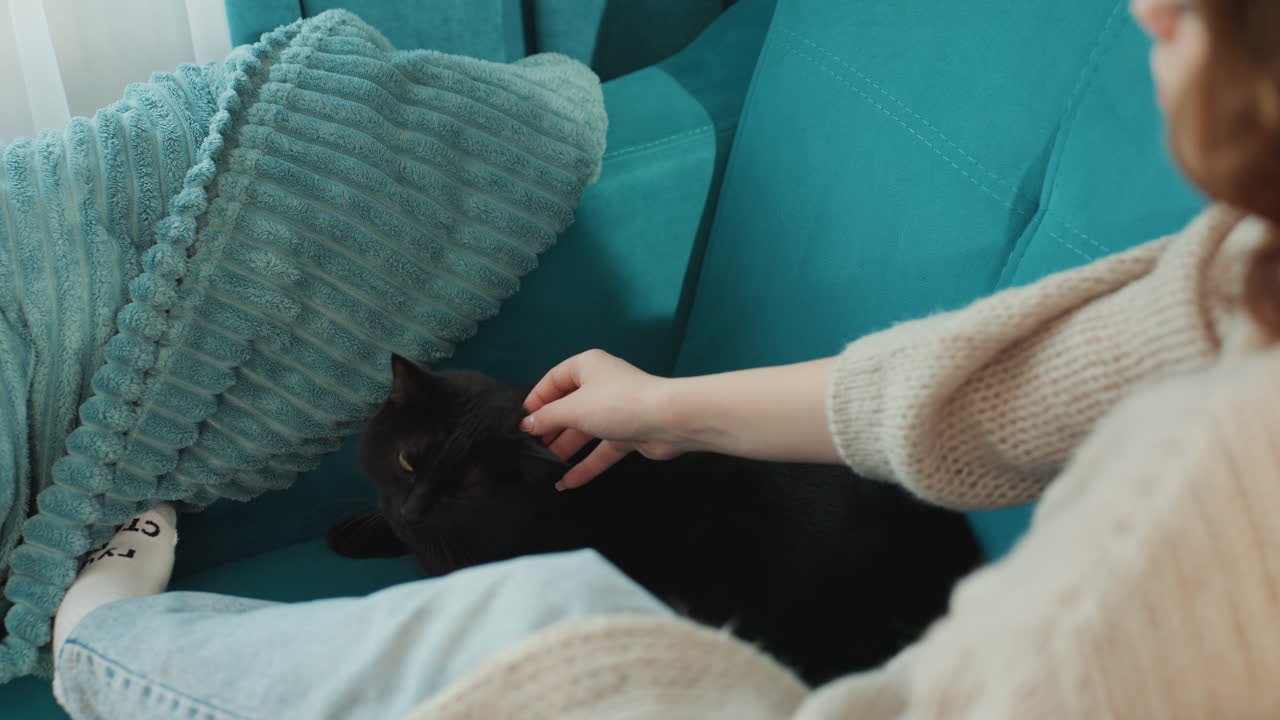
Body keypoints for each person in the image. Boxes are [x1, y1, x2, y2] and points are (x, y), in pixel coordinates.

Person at [48, 0, 1280, 717]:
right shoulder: (1233, 276)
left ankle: (102, 652)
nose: (1146, 11)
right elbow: (958, 394)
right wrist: (667, 406)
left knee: (543, 619)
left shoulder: (1227, 461)